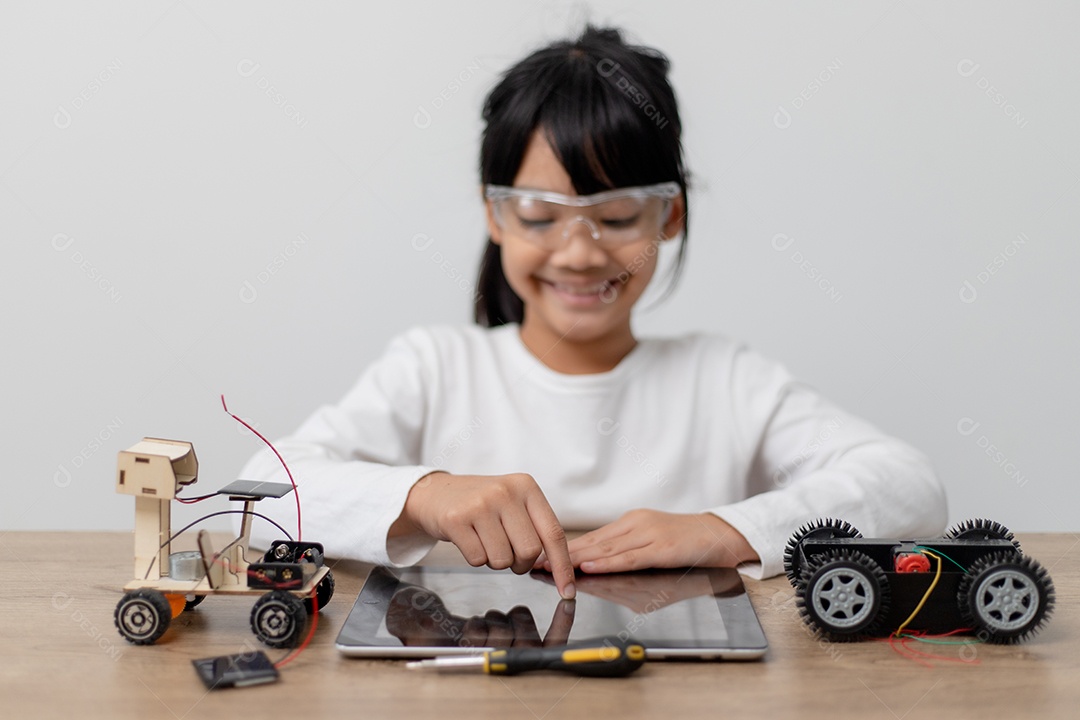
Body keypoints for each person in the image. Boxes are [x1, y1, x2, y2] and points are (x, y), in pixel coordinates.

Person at [239, 26, 946, 602]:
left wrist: (726, 529)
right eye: (542, 217)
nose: (579, 253)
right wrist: (425, 494)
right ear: (496, 215)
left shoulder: (725, 379)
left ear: (669, 215)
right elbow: (262, 491)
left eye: (614, 216)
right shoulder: (434, 366)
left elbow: (911, 486)